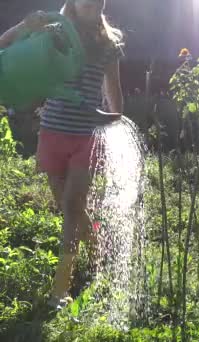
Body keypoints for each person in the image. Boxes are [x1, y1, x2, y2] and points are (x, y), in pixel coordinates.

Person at [0, 0, 125, 309]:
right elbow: (5, 45)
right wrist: (25, 26)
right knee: (66, 205)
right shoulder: (52, 30)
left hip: (87, 135)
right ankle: (100, 250)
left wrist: (116, 118)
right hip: (53, 131)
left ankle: (61, 289)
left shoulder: (108, 43)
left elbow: (114, 91)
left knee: (72, 205)